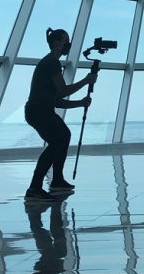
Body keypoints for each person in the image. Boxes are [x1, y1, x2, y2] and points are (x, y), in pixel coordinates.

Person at [24, 27, 95, 202]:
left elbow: (57, 100)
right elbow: (63, 92)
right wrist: (86, 81)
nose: (68, 44)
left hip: (41, 110)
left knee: (64, 135)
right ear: (56, 43)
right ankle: (34, 188)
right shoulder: (51, 63)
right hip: (38, 111)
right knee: (57, 141)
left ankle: (57, 180)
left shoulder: (50, 62)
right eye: (65, 40)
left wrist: (80, 103)